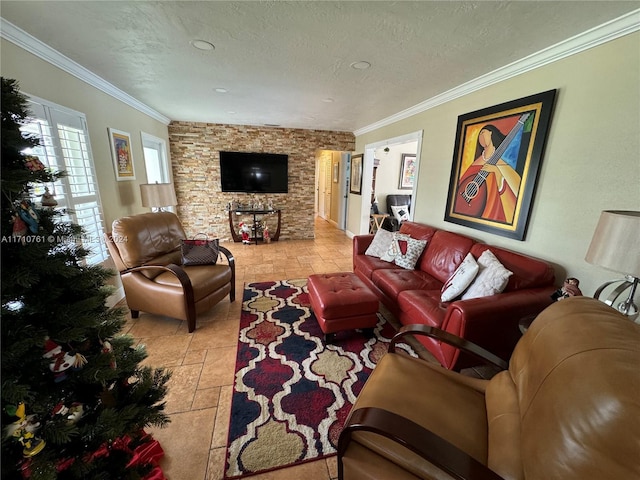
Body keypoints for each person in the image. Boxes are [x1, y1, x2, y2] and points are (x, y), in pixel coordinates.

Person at [460, 124, 522, 223]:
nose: (481, 136)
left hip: (492, 206)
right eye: (479, 134)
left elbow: (517, 187)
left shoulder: (500, 162)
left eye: (483, 132)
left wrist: (497, 171)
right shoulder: (477, 162)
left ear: (491, 133)